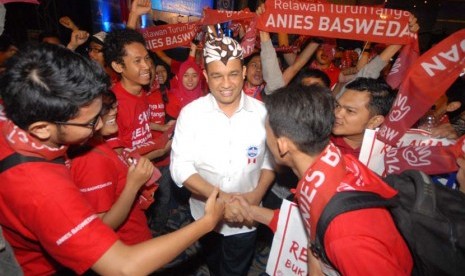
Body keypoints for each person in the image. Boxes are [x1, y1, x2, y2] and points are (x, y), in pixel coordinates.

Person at [0, 43, 223, 275]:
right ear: (42, 129)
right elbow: (123, 267)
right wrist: (206, 223)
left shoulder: (17, 108)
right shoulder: (43, 189)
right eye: (90, 122)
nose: (98, 126)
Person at [244, 83, 412, 275]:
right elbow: (307, 218)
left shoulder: (346, 234)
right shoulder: (331, 166)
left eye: (267, 136)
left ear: (282, 146)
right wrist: (249, 210)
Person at [170, 31, 275, 276]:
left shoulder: (263, 113)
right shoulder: (191, 114)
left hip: (247, 216)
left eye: (233, 74)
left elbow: (270, 161)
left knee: (236, 269)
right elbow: (181, 168)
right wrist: (224, 199)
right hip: (204, 214)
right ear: (206, 76)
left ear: (244, 73)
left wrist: (255, 196)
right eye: (217, 76)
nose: (226, 84)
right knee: (214, 263)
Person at [68, 90, 154, 245]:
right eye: (105, 109)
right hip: (126, 248)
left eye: (114, 106)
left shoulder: (101, 143)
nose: (114, 110)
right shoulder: (91, 160)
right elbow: (103, 225)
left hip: (133, 233)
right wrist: (133, 184)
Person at [103, 28, 171, 160]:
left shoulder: (142, 91)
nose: (146, 66)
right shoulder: (112, 104)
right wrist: (160, 152)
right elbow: (120, 159)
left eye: (146, 58)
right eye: (137, 61)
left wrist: (163, 128)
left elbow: (139, 124)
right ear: (118, 66)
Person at [331, 77, 396, 158]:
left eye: (350, 111)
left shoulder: (386, 156)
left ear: (375, 121)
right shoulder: (318, 141)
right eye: (337, 106)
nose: (337, 114)